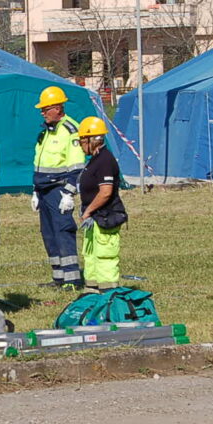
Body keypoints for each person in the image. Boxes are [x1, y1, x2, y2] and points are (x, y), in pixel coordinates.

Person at [32, 85, 86, 290]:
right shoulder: (46, 132)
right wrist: (35, 190)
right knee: (48, 234)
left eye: (46, 108)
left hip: (60, 190)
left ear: (58, 108)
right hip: (44, 189)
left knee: (63, 231)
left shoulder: (70, 130)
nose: (42, 112)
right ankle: (58, 278)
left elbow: (77, 166)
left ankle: (71, 279)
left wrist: (69, 193)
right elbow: (40, 162)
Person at [76, 117, 126, 293]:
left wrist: (88, 211)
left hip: (105, 216)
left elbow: (105, 192)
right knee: (90, 255)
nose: (80, 144)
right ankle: (92, 290)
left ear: (93, 140)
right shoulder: (94, 159)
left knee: (105, 256)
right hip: (94, 219)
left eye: (82, 140)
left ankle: (108, 292)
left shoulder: (105, 160)